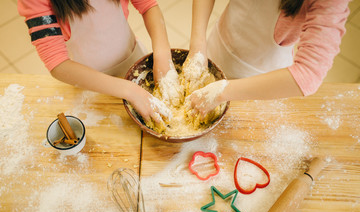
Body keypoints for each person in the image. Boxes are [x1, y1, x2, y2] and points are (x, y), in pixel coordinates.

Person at [184, 0, 350, 118]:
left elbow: (309, 74)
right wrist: (198, 45)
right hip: (218, 44)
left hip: (262, 79)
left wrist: (220, 92)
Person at [18, 0, 175, 123]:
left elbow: (147, 5)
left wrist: (162, 54)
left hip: (133, 56)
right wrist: (131, 91)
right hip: (89, 80)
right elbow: (57, 63)